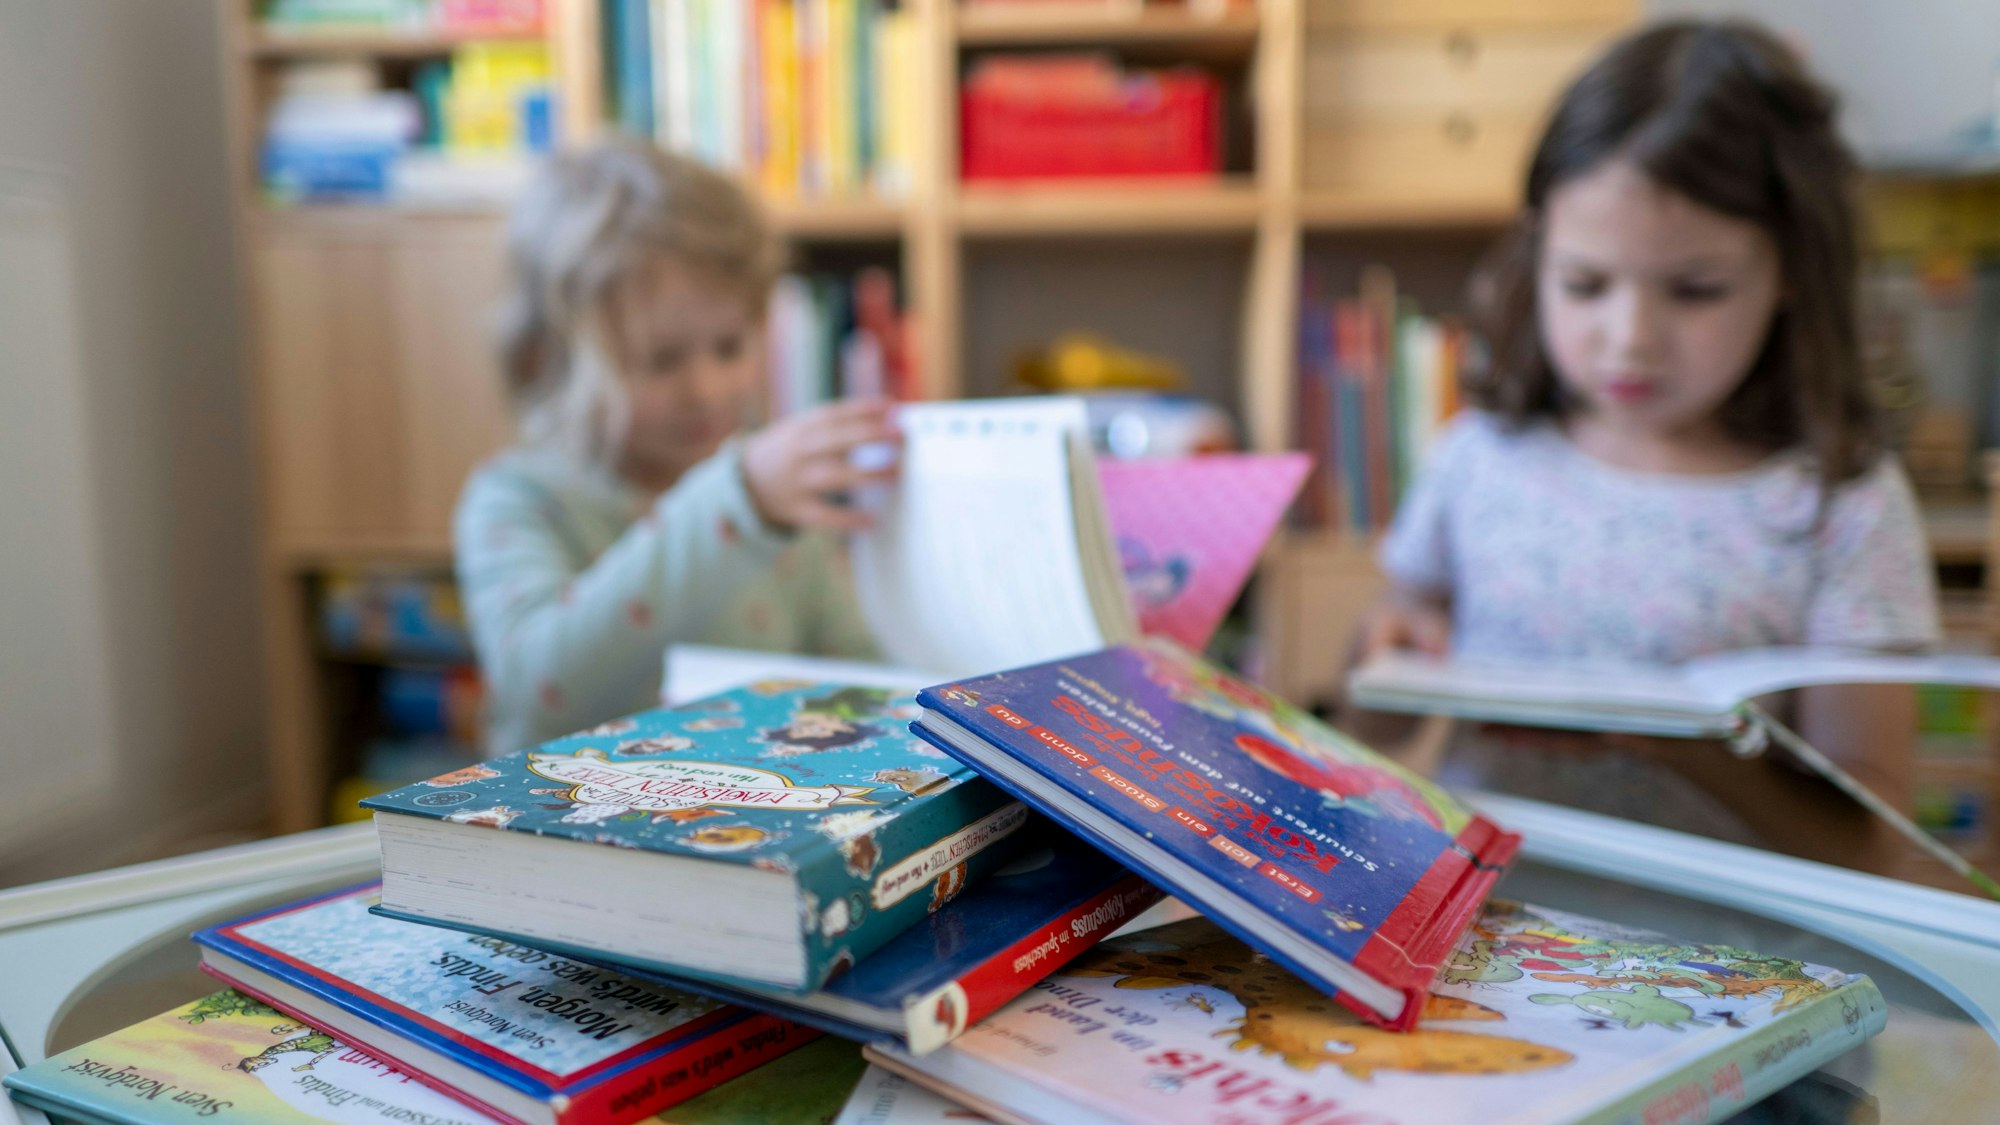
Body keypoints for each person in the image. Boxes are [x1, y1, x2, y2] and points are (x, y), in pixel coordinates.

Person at [1355, 20, 1940, 869]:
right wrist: (1386, 649)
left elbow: (1873, 844)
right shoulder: (1480, 455)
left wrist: (1685, 744)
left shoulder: (1842, 501)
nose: (1631, 338)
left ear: (1789, 271)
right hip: (1479, 922)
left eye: (1696, 289)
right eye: (1585, 283)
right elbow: (1371, 726)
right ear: (1539, 250)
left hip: (1726, 945)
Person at [456, 139, 895, 755]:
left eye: (729, 347)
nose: (706, 389)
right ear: (548, 359)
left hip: (759, 802)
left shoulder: (768, 497)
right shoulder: (519, 498)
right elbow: (537, 686)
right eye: (661, 360)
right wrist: (738, 505)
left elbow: (862, 678)